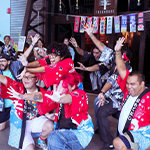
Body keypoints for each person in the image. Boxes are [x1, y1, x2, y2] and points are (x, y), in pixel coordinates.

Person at [7, 72, 94, 150]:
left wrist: (60, 98)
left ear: (73, 87)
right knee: (54, 137)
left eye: (63, 87)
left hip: (79, 134)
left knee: (53, 138)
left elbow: (69, 98)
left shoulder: (80, 94)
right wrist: (23, 96)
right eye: (59, 85)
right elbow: (41, 96)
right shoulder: (57, 94)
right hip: (62, 132)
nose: (60, 89)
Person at [112, 37, 150, 150]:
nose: (129, 86)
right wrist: (118, 52)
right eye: (128, 83)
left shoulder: (148, 97)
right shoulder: (128, 91)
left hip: (141, 136)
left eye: (133, 84)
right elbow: (121, 68)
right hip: (126, 136)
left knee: (118, 143)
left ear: (142, 84)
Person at [0, 71, 54, 150]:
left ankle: (40, 141)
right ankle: (27, 140)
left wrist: (48, 115)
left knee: (50, 125)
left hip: (35, 121)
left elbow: (45, 107)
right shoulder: (17, 88)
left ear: (36, 79)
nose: (26, 79)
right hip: (20, 125)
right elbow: (4, 79)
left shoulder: (42, 91)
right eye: (24, 77)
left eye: (29, 77)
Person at [0, 34, 40, 131]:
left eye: (3, 61)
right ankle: (9, 116)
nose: (1, 63)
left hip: (17, 99)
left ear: (8, 62)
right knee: (1, 128)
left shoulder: (14, 65)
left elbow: (25, 56)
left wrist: (33, 43)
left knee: (23, 124)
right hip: (4, 102)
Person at [94, 47, 132, 150]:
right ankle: (102, 129)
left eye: (120, 57)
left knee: (102, 112)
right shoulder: (115, 65)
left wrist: (103, 93)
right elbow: (109, 80)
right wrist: (102, 93)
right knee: (98, 103)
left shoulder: (126, 69)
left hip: (120, 100)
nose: (117, 59)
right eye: (117, 56)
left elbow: (111, 82)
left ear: (126, 60)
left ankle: (109, 143)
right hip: (112, 97)